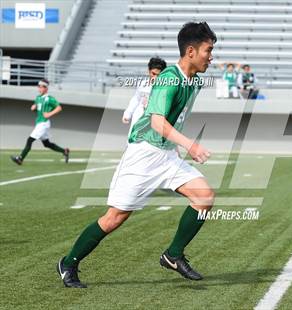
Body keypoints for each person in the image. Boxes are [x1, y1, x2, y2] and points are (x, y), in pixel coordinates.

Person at [57, 22, 217, 288]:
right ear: (191, 51)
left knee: (204, 197)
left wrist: (177, 147)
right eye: (208, 50)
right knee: (115, 218)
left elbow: (173, 120)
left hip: (166, 156)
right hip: (143, 156)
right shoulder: (168, 78)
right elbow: (156, 123)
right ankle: (68, 263)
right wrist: (191, 145)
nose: (211, 57)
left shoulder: (195, 81)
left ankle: (173, 255)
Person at [10, 79, 69, 165]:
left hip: (44, 123)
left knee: (29, 140)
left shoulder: (49, 99)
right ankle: (64, 151)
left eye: (41, 87)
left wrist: (49, 114)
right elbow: (37, 107)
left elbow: (59, 108)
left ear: (46, 88)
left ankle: (20, 159)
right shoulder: (38, 98)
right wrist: (33, 108)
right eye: (38, 87)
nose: (39, 89)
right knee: (47, 144)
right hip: (39, 122)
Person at [122, 57, 167, 134]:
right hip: (139, 116)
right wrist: (128, 113)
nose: (155, 77)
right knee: (132, 142)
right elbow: (136, 99)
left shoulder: (166, 88)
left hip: (155, 121)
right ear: (149, 71)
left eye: (159, 75)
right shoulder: (142, 84)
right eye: (153, 73)